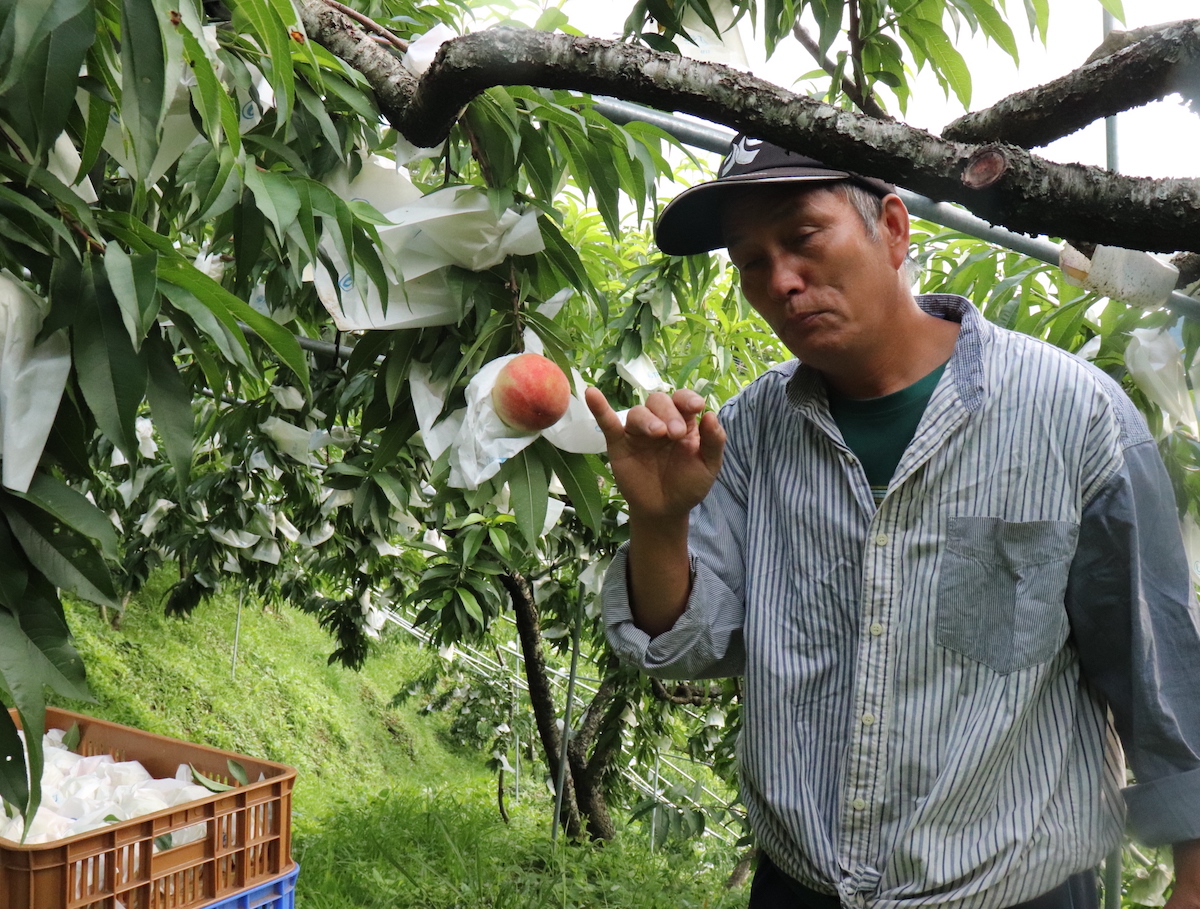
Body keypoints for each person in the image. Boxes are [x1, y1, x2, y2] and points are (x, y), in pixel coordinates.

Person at [584, 135, 1200, 909]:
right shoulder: (752, 430)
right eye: (749, 260)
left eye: (803, 237)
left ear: (895, 229)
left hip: (1012, 892)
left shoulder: (1071, 417)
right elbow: (685, 644)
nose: (779, 279)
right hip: (801, 887)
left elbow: (1161, 669)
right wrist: (660, 520)